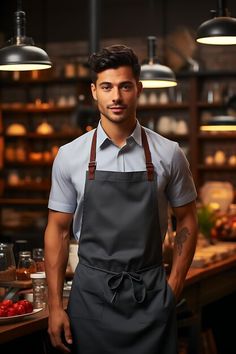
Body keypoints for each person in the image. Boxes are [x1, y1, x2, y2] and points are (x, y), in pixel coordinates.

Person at [44, 44, 198, 354]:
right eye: (107, 87)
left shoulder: (169, 153)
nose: (116, 96)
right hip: (90, 301)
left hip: (151, 297)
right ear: (94, 91)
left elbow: (188, 220)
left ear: (138, 89)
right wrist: (55, 306)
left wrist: (174, 286)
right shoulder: (69, 156)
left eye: (125, 86)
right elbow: (57, 231)